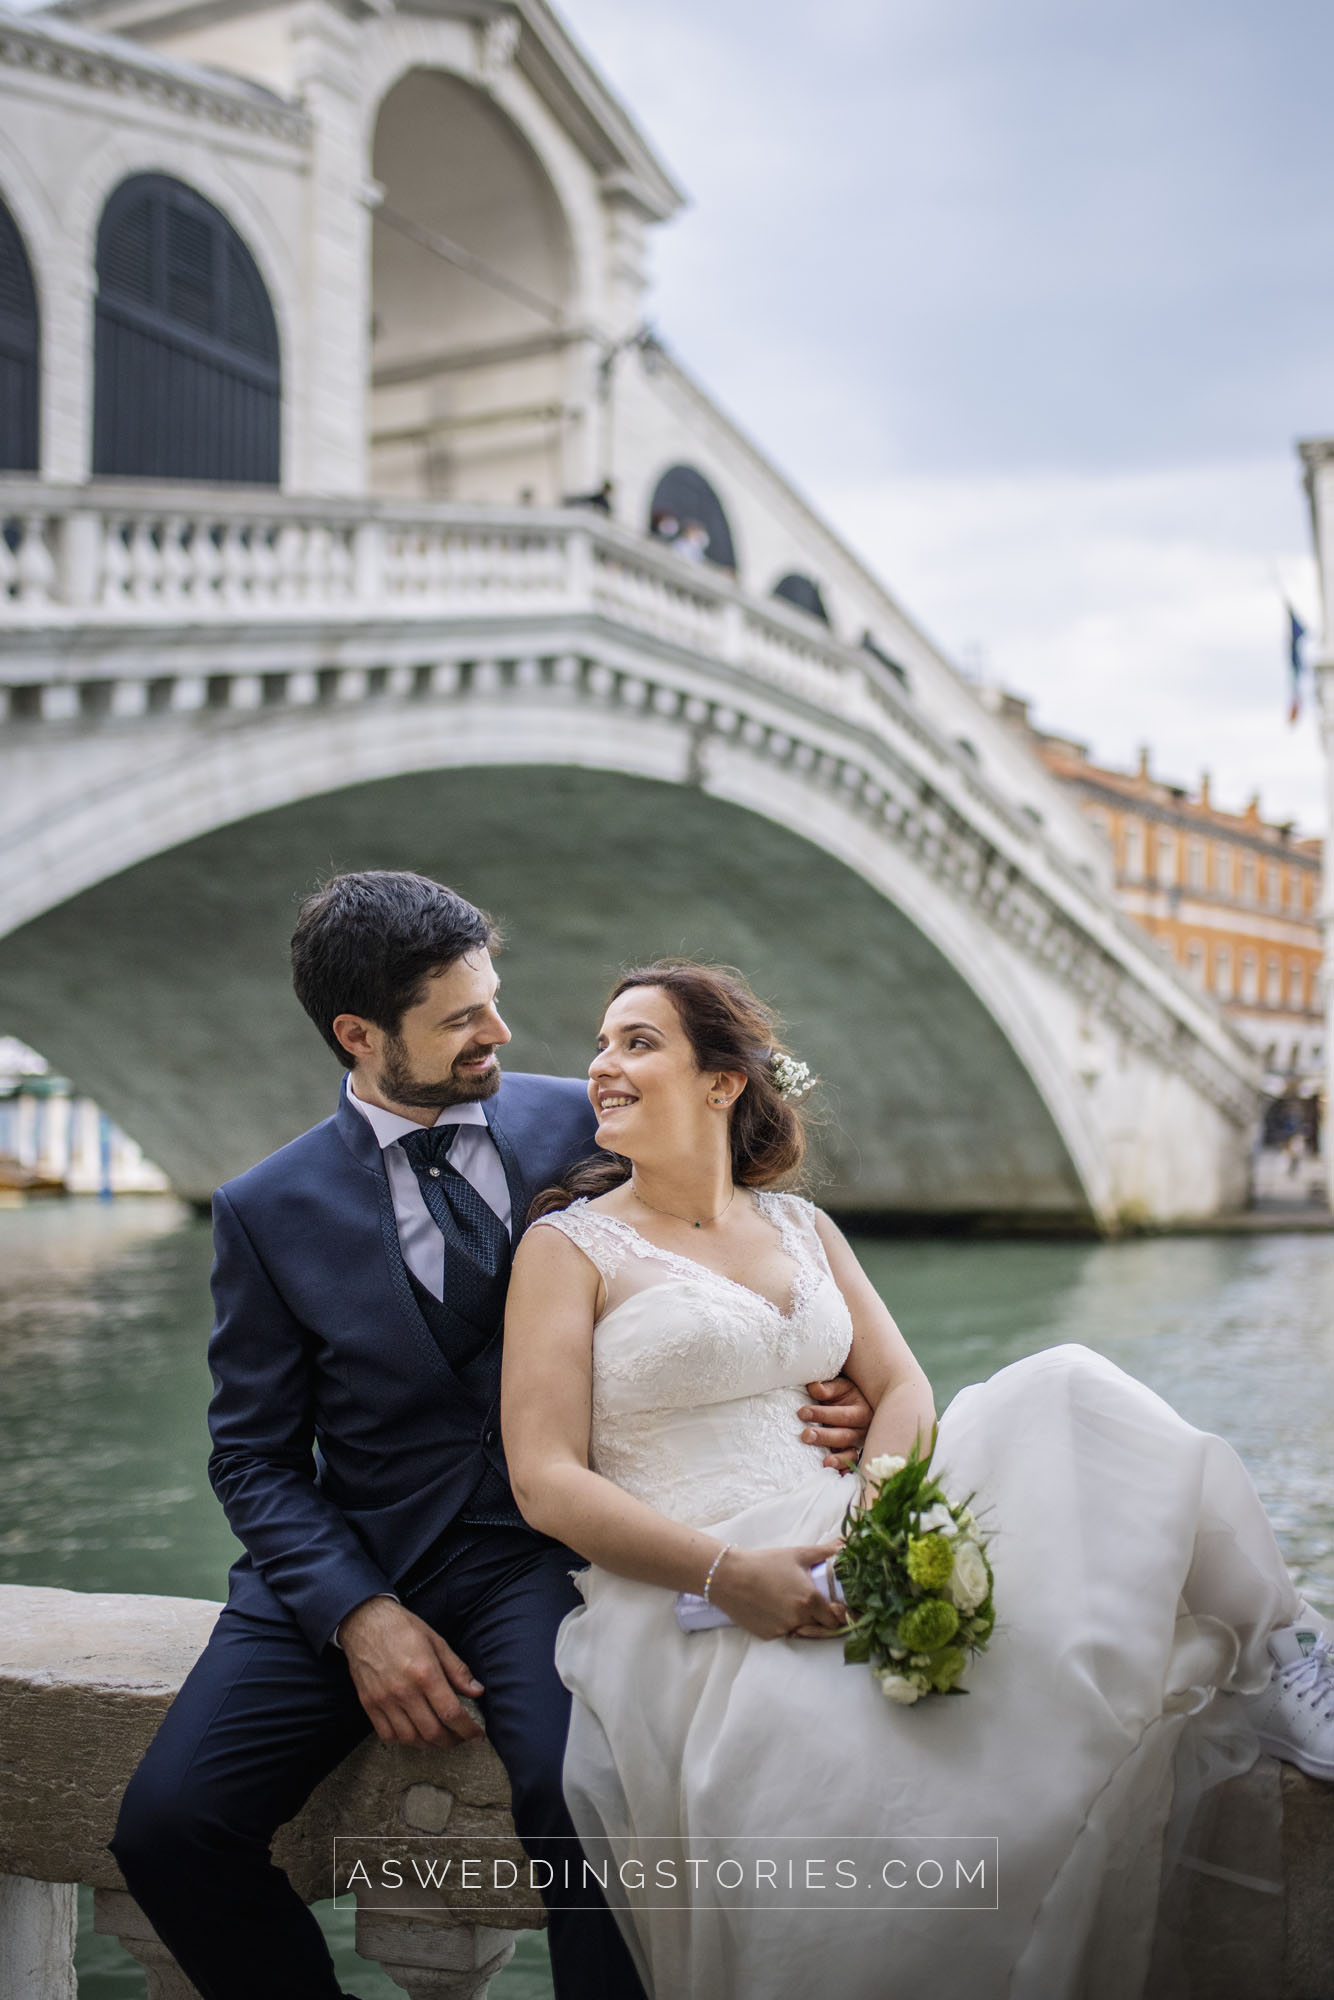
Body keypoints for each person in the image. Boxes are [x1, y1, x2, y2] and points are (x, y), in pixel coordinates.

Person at [502, 958, 1334, 2000]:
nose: (601, 1064)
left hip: (850, 1527)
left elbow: (900, 1384)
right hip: (690, 1580)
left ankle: (1286, 1649)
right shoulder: (567, 1245)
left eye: (637, 1041)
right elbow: (543, 1480)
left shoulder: (801, 1226)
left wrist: (874, 1512)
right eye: (601, 1040)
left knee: (1069, 1390)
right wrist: (727, 1571)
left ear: (721, 1082)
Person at [108, 877, 873, 2000]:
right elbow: (252, 1456)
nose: (499, 1033)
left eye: (494, 999)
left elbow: (760, 1256)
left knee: (585, 1795)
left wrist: (830, 1386)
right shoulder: (265, 1207)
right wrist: (358, 1614)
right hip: (349, 1561)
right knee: (168, 1828)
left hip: (535, 1552)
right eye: (462, 1018)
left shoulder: (591, 1112)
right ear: (359, 1035)